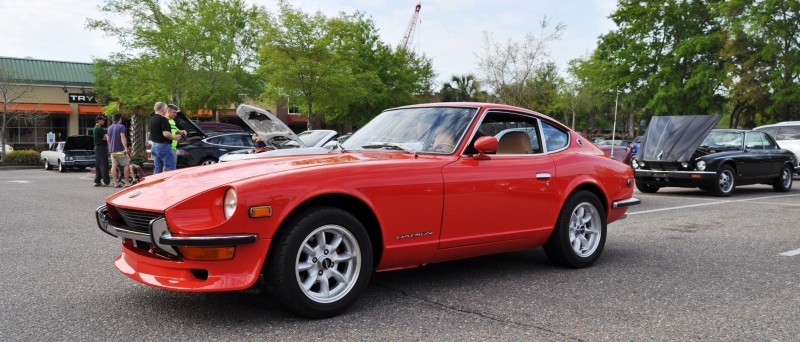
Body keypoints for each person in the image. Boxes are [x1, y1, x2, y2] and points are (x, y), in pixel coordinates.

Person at [149, 102, 183, 174]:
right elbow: (166, 134)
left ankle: (156, 184)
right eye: (166, 108)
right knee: (171, 169)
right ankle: (171, 185)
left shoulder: (152, 119)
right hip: (163, 146)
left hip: (154, 146)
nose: (166, 110)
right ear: (162, 109)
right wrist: (175, 137)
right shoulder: (163, 119)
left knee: (157, 169)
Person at [107, 113, 131, 187]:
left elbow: (108, 139)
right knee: (126, 165)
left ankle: (116, 183)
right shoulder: (121, 126)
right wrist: (126, 148)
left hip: (112, 150)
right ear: (120, 118)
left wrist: (110, 146)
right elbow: (122, 137)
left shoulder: (109, 128)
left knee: (113, 166)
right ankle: (127, 182)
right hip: (121, 150)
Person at [93, 115, 110, 187]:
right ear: (99, 121)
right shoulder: (99, 128)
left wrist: (104, 138)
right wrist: (105, 138)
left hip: (97, 148)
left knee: (98, 164)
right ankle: (106, 181)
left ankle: (97, 180)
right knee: (104, 164)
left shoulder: (95, 128)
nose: (104, 121)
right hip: (101, 148)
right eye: (103, 120)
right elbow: (106, 137)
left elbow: (104, 138)